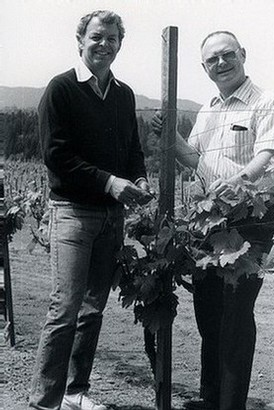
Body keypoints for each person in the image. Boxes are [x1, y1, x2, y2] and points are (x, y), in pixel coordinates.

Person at [152, 31, 274, 410]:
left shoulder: (268, 102)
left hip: (249, 224)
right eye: (212, 60)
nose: (221, 63)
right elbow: (192, 159)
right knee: (209, 314)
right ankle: (211, 398)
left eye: (227, 55)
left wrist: (214, 174)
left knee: (235, 316)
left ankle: (231, 405)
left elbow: (263, 164)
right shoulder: (209, 109)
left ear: (243, 54)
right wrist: (173, 140)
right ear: (204, 68)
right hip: (208, 224)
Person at [29, 10, 153, 410]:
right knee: (64, 308)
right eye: (97, 37)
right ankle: (43, 402)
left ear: (120, 44)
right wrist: (109, 182)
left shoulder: (123, 94)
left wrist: (140, 178)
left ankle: (75, 393)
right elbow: (56, 155)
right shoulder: (61, 89)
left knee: (92, 310)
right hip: (72, 214)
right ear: (80, 40)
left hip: (112, 218)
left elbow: (132, 151)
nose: (104, 45)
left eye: (113, 38)